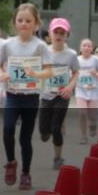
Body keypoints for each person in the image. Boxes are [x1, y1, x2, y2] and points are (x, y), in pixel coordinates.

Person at [0, 3, 53, 190]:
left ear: (36, 24)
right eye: (20, 20)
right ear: (14, 23)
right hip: (12, 94)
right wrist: (2, 74)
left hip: (31, 96)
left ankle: (26, 173)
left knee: (25, 138)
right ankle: (11, 162)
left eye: (28, 21)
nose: (24, 24)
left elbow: (49, 71)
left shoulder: (40, 46)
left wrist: (36, 75)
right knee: (7, 129)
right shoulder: (7, 45)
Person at [28, 17, 79, 170]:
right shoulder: (43, 52)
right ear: (49, 34)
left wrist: (70, 87)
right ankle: (45, 131)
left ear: (66, 35)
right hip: (45, 95)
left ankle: (57, 157)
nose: (58, 35)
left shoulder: (71, 54)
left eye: (62, 33)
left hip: (62, 95)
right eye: (55, 32)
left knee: (56, 127)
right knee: (44, 130)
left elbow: (76, 73)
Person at [74, 39, 98, 143]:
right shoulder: (76, 59)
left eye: (89, 46)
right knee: (82, 113)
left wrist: (96, 74)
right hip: (80, 90)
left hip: (93, 90)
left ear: (92, 48)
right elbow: (71, 73)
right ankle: (83, 136)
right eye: (84, 45)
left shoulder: (95, 60)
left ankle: (93, 125)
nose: (86, 48)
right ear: (80, 48)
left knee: (92, 115)